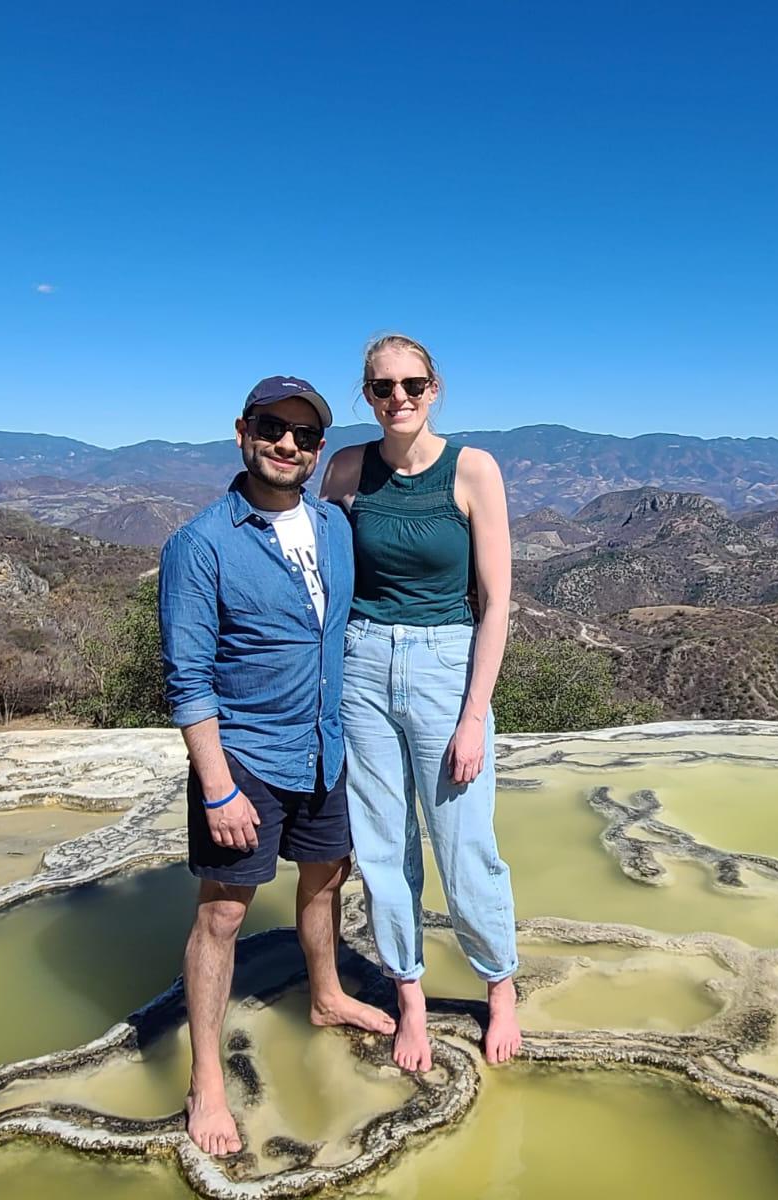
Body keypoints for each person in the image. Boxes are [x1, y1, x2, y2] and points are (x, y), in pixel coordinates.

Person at [158, 376, 395, 1157]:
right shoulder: (202, 544)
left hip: (326, 747)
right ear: (243, 431)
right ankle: (208, 1083)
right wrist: (217, 785)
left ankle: (325, 996)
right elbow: (188, 680)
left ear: (320, 449)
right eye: (272, 427)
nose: (288, 443)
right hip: (247, 757)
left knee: (326, 877)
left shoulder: (331, 525)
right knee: (223, 913)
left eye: (304, 434)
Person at [321, 333, 520, 1072]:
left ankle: (500, 986)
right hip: (363, 664)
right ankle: (411, 1000)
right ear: (366, 395)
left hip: (446, 665)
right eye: (382, 388)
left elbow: (497, 601)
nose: (397, 398)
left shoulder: (473, 470)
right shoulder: (345, 469)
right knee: (382, 848)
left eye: (411, 385)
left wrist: (474, 717)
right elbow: (326, 576)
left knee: (464, 846)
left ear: (435, 389)